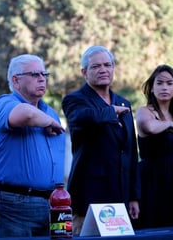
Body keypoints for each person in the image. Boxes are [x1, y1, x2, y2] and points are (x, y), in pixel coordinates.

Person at [62, 45, 140, 234]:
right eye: (96, 66)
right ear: (84, 72)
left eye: (107, 65)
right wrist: (110, 112)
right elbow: (79, 118)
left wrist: (133, 196)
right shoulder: (75, 100)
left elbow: (130, 152)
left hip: (120, 197)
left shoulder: (123, 102)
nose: (103, 70)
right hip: (89, 197)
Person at [0, 54, 65, 238]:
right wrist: (48, 121)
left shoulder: (49, 111)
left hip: (51, 203)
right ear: (16, 80)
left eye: (44, 74)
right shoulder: (4, 102)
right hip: (14, 202)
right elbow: (25, 114)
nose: (42, 79)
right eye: (35, 74)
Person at [135, 65, 173, 228]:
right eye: (159, 83)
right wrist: (170, 124)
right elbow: (150, 127)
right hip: (152, 182)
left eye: (169, 83)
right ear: (151, 88)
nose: (164, 87)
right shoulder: (145, 111)